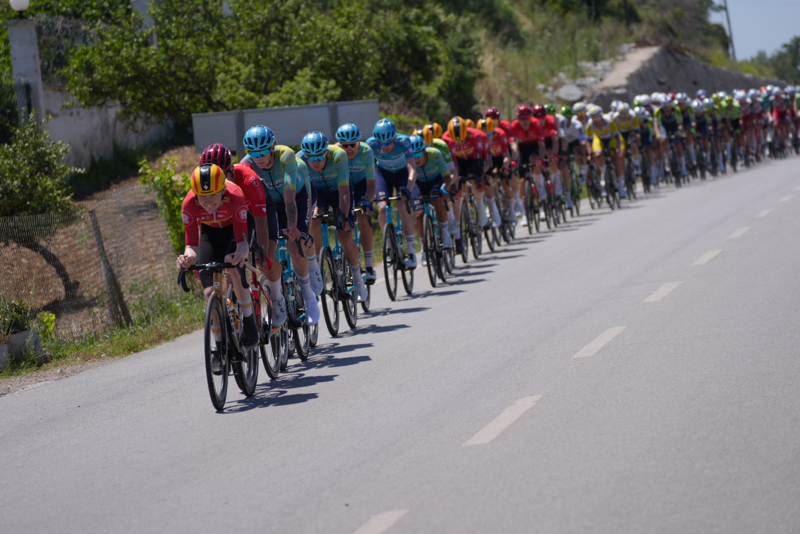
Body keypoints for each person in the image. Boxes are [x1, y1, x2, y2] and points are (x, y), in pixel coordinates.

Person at [177, 164, 259, 373]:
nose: (208, 202)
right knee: (209, 293)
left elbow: (242, 243)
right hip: (210, 233)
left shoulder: (235, 196)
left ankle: (249, 320)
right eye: (202, 197)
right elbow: (192, 246)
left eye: (213, 195)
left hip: (235, 231)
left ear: (223, 189)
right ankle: (219, 345)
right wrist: (187, 258)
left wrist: (241, 254)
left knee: (233, 266)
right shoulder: (189, 204)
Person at [239, 125, 321, 326]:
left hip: (297, 196)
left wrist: (293, 227)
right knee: (265, 254)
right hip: (271, 204)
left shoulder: (287, 156)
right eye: (253, 153)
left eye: (263, 152)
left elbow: (290, 197)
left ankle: (309, 295)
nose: (258, 158)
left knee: (294, 247)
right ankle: (277, 299)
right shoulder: (246, 164)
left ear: (273, 147)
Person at [199, 143, 283, 324]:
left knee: (266, 260)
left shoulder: (248, 179)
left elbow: (261, 221)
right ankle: (237, 318)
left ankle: (277, 299)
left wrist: (262, 250)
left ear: (230, 169)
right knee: (233, 267)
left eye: (221, 176)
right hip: (235, 219)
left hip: (259, 213)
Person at [299, 131, 367, 302]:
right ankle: (318, 266)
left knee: (344, 235)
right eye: (311, 158)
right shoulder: (298, 160)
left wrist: (344, 216)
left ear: (327, 153)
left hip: (339, 192)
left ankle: (358, 279)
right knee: (314, 219)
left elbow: (344, 191)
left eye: (319, 157)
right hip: (318, 193)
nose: (315, 162)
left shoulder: (339, 155)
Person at [366, 118, 419, 269]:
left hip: (402, 173)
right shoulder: (371, 144)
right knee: (382, 208)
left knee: (401, 205)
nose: (385, 147)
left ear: (394, 138)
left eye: (389, 143)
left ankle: (411, 251)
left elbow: (412, 170)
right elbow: (368, 170)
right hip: (383, 174)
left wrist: (408, 189)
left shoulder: (404, 141)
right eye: (382, 143)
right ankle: (388, 246)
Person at [335, 123, 377, 284]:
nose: (349, 149)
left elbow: (371, 184)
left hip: (361, 186)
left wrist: (367, 201)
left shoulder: (366, 152)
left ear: (359, 142)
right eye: (345, 145)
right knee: (343, 222)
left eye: (353, 145)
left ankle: (369, 265)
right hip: (342, 187)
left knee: (363, 216)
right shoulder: (335, 153)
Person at [442, 116, 496, 229]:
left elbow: (482, 161)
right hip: (460, 161)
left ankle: (481, 207)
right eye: (457, 141)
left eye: (462, 140)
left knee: (474, 180)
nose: (460, 144)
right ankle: (466, 217)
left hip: (473, 160)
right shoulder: (445, 138)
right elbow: (454, 166)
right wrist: (454, 186)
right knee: (456, 187)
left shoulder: (478, 135)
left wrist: (479, 177)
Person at [407, 135, 454, 254]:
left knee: (436, 199)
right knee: (418, 214)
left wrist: (444, 187)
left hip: (435, 181)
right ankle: (424, 246)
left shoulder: (435, 154)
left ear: (424, 150)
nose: (416, 159)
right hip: (418, 184)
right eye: (413, 156)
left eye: (419, 154)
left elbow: (447, 176)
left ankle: (445, 234)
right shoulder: (406, 160)